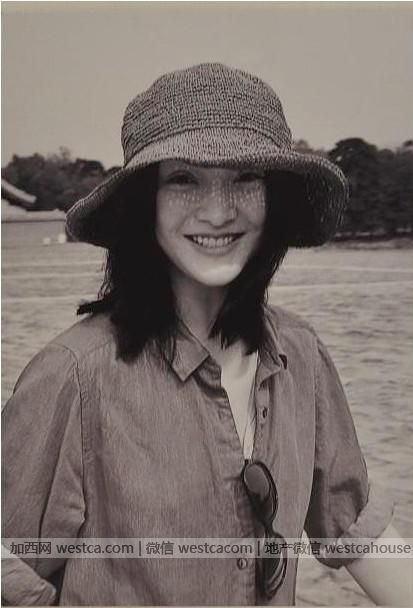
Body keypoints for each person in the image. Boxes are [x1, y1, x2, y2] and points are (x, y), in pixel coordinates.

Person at [2, 63, 411, 606]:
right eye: (183, 179)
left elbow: (355, 527)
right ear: (145, 200)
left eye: (246, 178)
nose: (218, 211)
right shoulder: (74, 376)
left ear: (274, 197)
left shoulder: (301, 354)